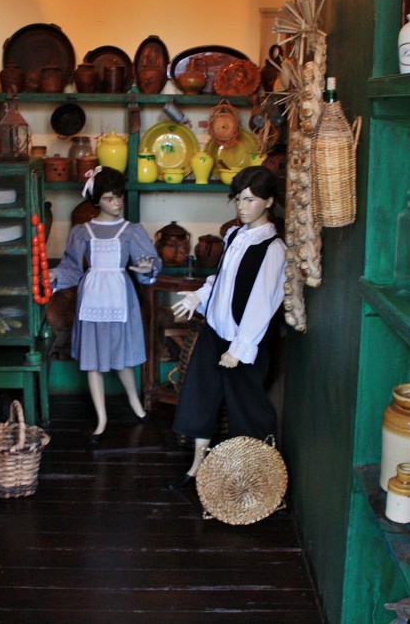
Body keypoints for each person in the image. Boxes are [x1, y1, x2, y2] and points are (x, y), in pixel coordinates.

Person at [169, 165, 286, 490]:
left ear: (269, 202)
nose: (242, 207)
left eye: (250, 200)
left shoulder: (272, 249)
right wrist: (198, 298)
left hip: (242, 344)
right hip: (214, 332)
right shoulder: (235, 235)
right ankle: (195, 468)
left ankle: (253, 476)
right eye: (238, 199)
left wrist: (239, 348)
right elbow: (221, 282)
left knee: (246, 409)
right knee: (199, 397)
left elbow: (263, 304)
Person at [50, 166, 161, 446]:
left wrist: (146, 266)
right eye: (111, 198)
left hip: (121, 296)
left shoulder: (131, 230)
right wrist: (54, 276)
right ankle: (101, 419)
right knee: (93, 363)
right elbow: (72, 268)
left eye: (119, 196)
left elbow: (148, 261)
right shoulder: (81, 232)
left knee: (121, 356)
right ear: (97, 200)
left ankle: (136, 404)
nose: (117, 203)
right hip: (91, 297)